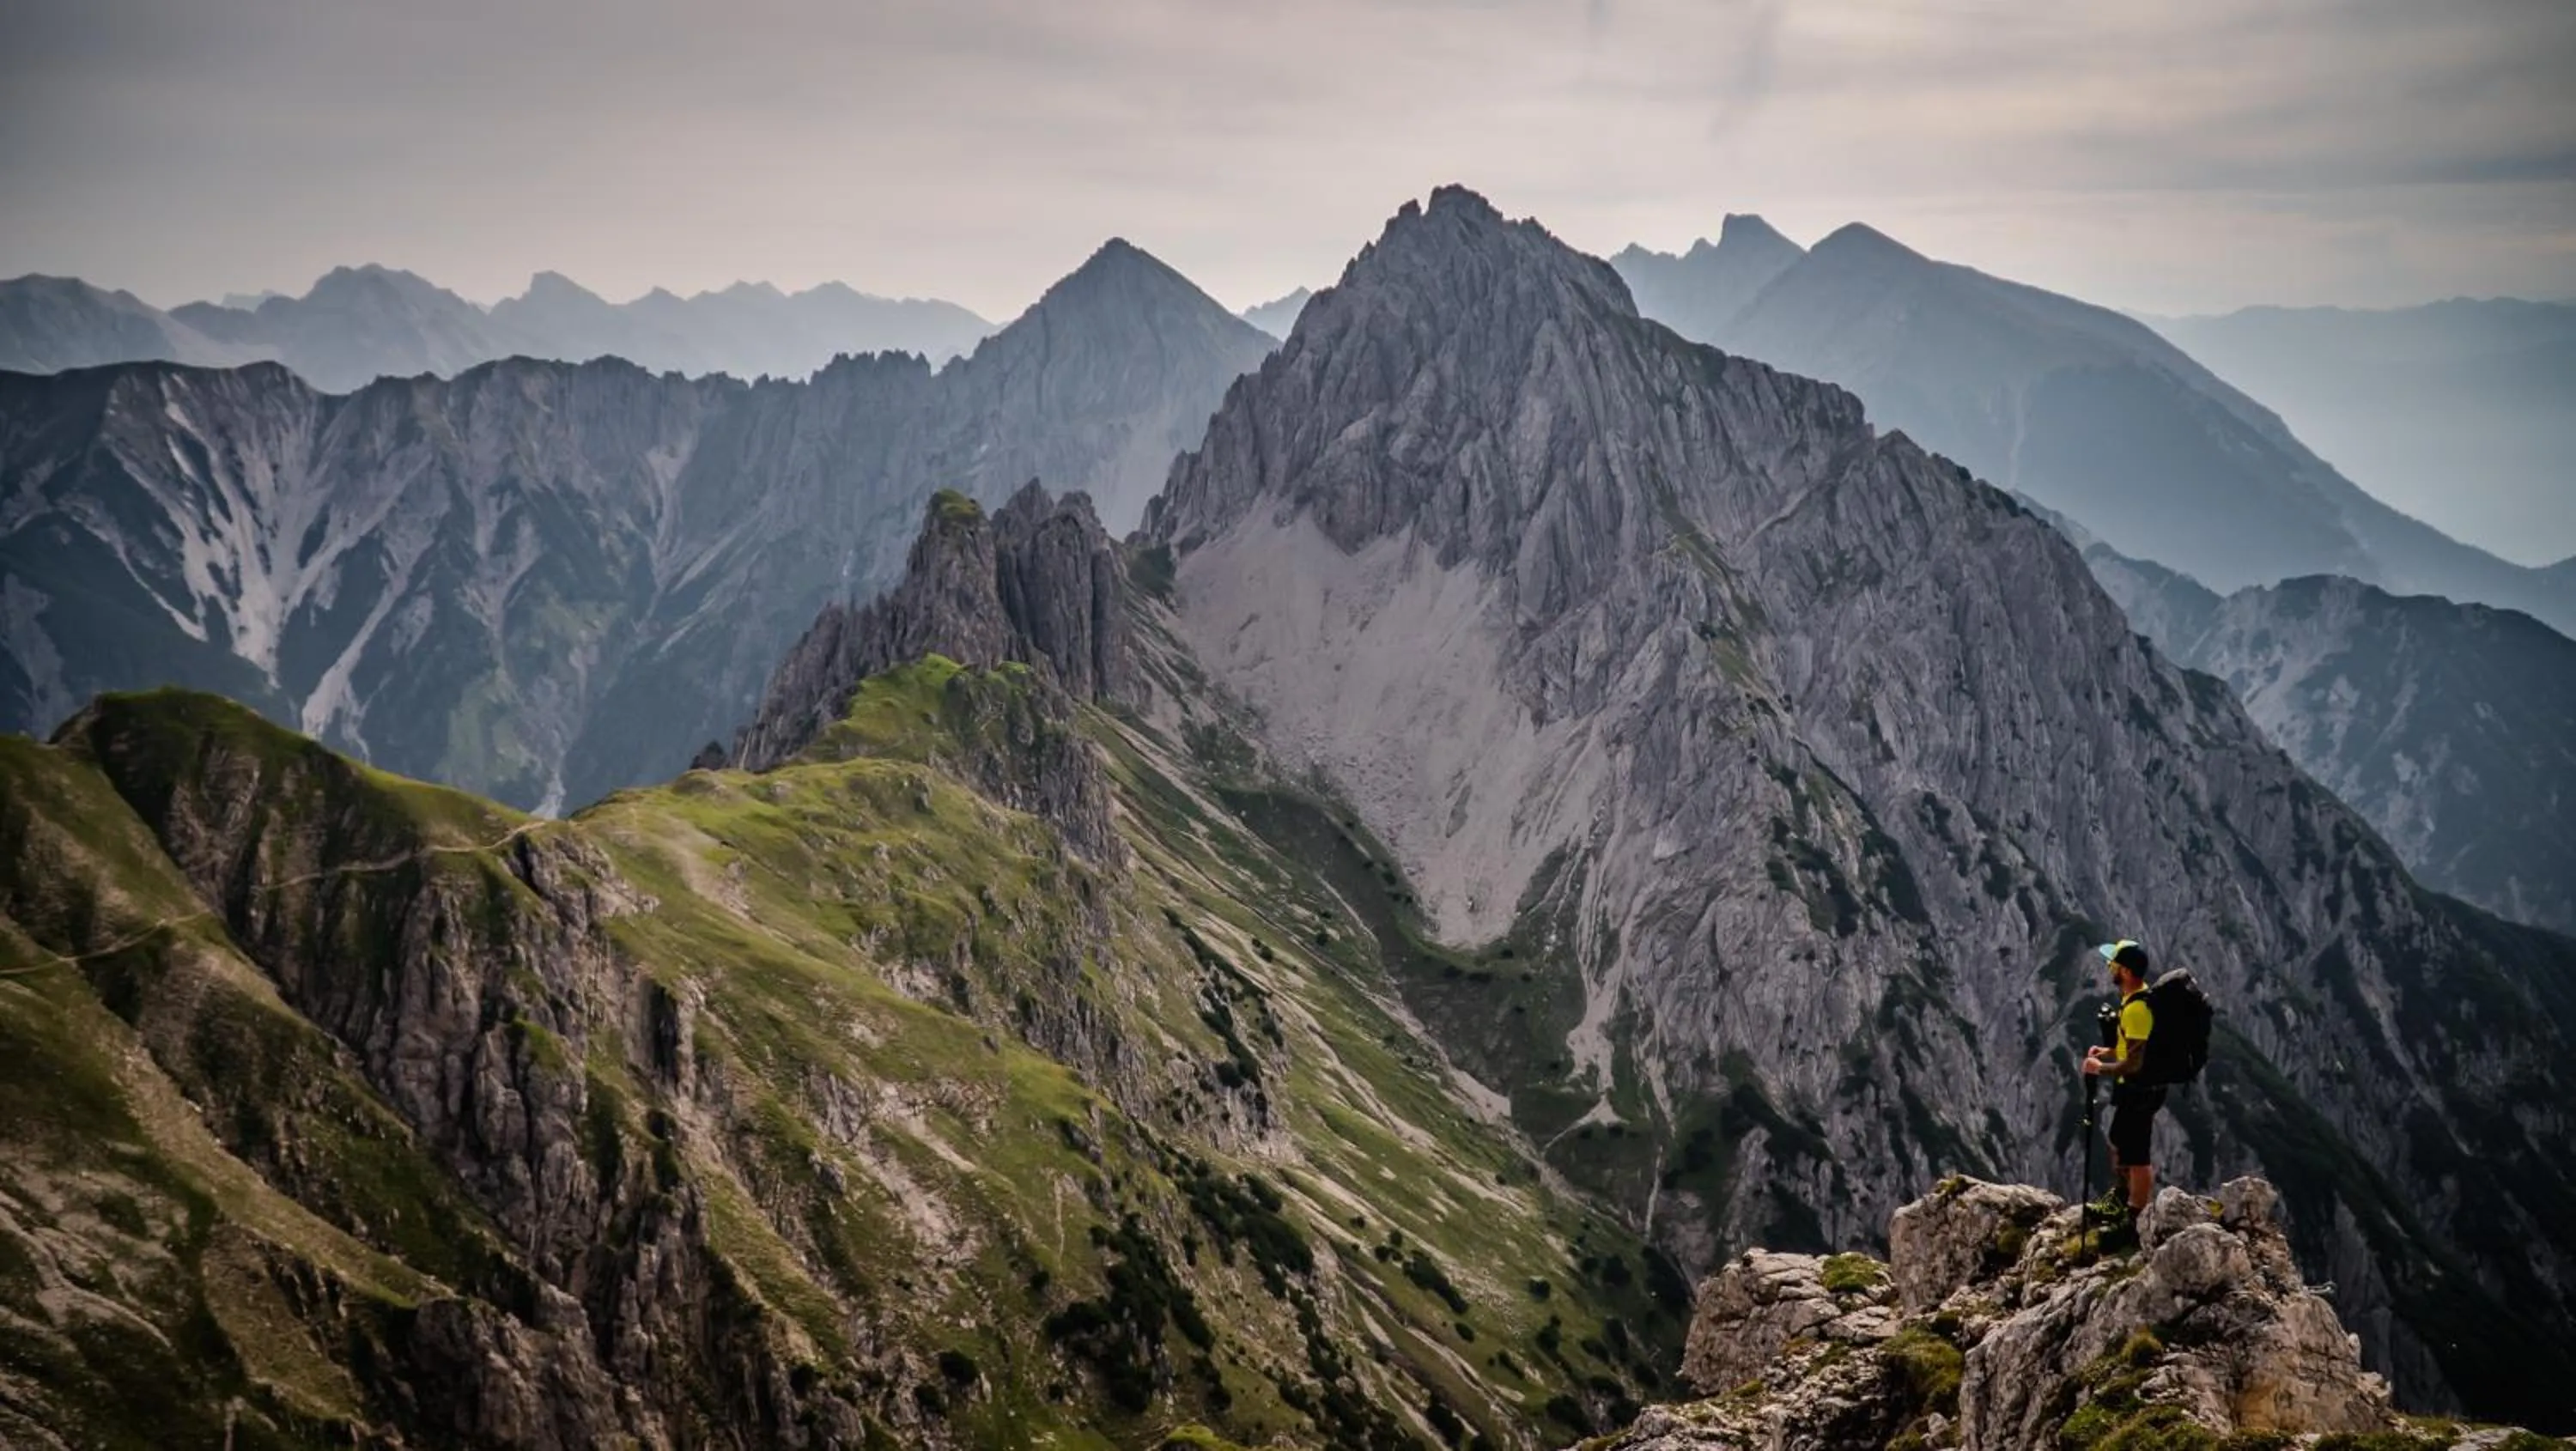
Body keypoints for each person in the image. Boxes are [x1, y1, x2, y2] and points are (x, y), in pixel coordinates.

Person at [2081, 939, 2160, 1225]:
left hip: (2141, 1090)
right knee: (2120, 1142)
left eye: (2113, 964)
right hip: (2133, 1088)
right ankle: (2120, 1197)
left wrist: (2100, 1067)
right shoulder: (2133, 999)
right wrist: (2108, 1051)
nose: (2109, 968)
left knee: (2137, 1154)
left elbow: (2135, 1063)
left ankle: (2135, 1216)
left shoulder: (2137, 1009)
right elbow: (2131, 1048)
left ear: (2125, 971)